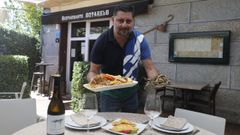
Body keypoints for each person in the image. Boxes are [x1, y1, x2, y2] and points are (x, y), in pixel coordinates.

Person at [87, 4, 159, 112]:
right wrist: (95, 81)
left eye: (128, 21)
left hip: (132, 94)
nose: (124, 25)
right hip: (109, 95)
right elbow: (92, 71)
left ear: (133, 21)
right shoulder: (102, 41)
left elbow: (150, 68)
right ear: (113, 20)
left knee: (131, 125)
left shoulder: (140, 39)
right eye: (120, 20)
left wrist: (156, 83)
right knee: (108, 125)